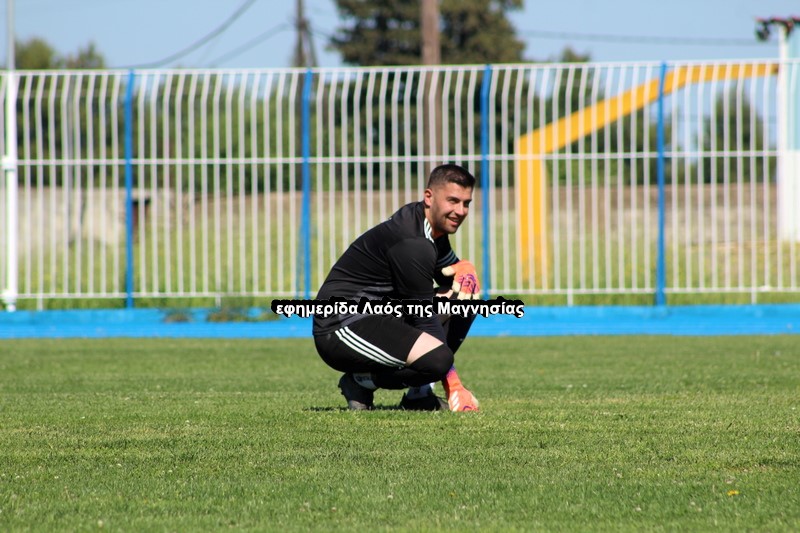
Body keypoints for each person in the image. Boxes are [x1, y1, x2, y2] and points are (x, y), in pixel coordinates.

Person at [312, 163, 481, 411]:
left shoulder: (429, 227)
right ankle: (359, 382)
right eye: (453, 201)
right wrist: (453, 384)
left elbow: (449, 279)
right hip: (341, 325)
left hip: (381, 314)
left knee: (464, 299)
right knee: (439, 359)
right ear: (429, 197)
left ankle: (419, 395)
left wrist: (465, 269)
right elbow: (424, 318)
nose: (460, 211)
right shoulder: (413, 242)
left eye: (466, 203)